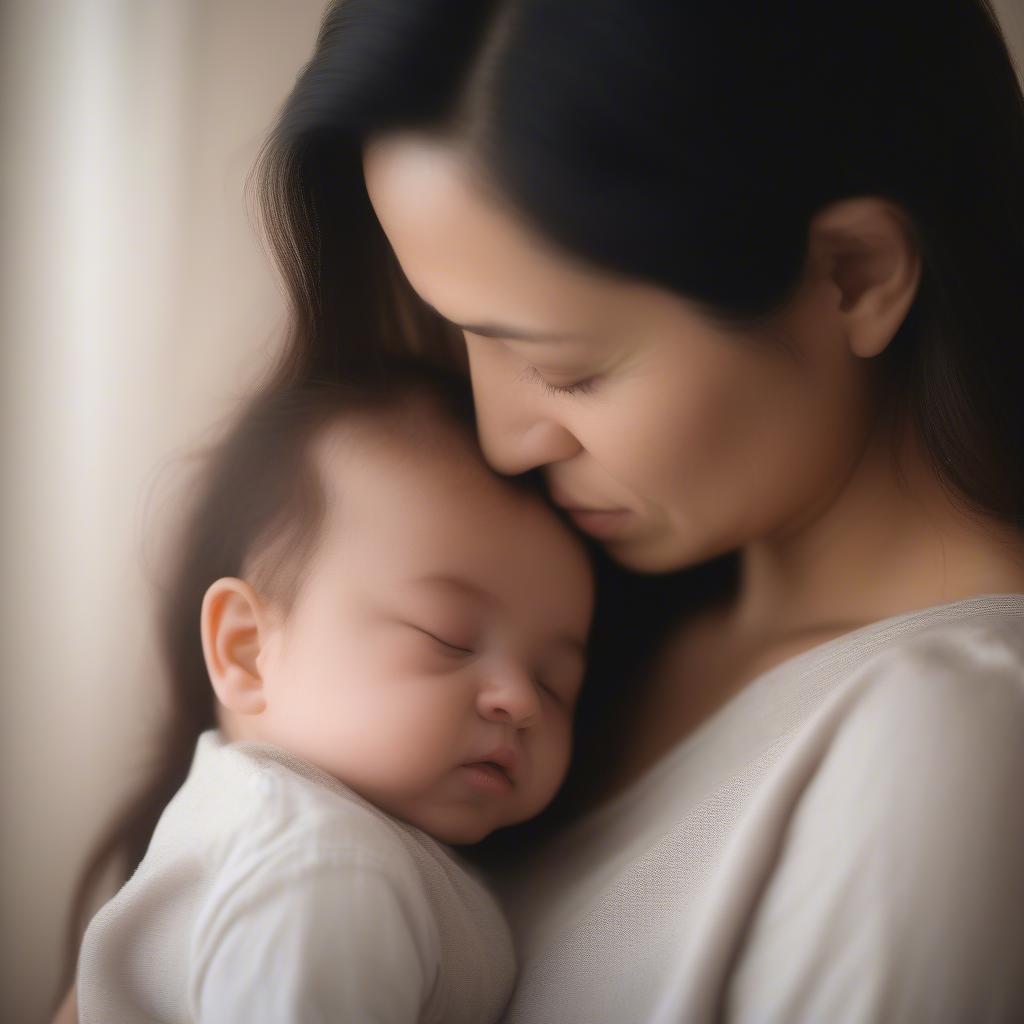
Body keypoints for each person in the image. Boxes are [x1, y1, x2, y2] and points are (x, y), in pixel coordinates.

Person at [56, 0, 1024, 1021]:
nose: (502, 438)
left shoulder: (948, 738)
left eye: (564, 367)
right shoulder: (560, 595)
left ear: (852, 275)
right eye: (457, 333)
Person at [74, 368, 593, 1023]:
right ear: (247, 650)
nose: (519, 700)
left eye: (555, 682)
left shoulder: (308, 842)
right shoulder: (326, 869)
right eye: (448, 637)